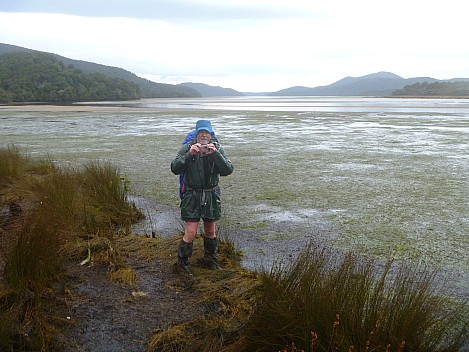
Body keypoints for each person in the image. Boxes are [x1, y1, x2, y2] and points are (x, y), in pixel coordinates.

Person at [171, 120, 233, 275]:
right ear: (196, 134)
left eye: (207, 133)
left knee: (210, 229)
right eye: (201, 132)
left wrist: (215, 155)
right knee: (191, 231)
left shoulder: (217, 149)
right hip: (192, 194)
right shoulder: (187, 148)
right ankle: (182, 263)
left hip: (211, 194)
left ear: (211, 135)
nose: (204, 135)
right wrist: (189, 154)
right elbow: (174, 168)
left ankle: (210, 260)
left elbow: (227, 170)